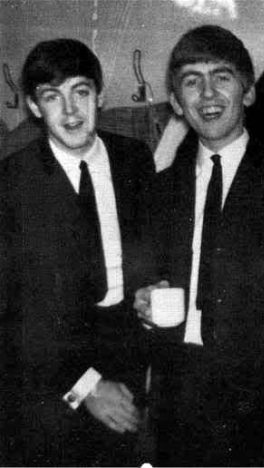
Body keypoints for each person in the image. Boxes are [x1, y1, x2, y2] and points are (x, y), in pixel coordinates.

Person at [133, 25, 264, 466]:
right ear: (177, 103)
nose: (207, 94)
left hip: (259, 408)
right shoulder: (160, 190)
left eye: (221, 77)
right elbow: (147, 285)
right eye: (191, 81)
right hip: (176, 404)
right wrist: (145, 308)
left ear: (249, 92)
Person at [0, 38, 156, 466]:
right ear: (34, 107)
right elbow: (13, 316)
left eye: (81, 93)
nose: (70, 112)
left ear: (100, 96)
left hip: (126, 364)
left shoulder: (134, 159)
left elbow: (150, 255)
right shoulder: (11, 184)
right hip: (48, 382)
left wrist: (148, 292)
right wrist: (85, 386)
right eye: (53, 97)